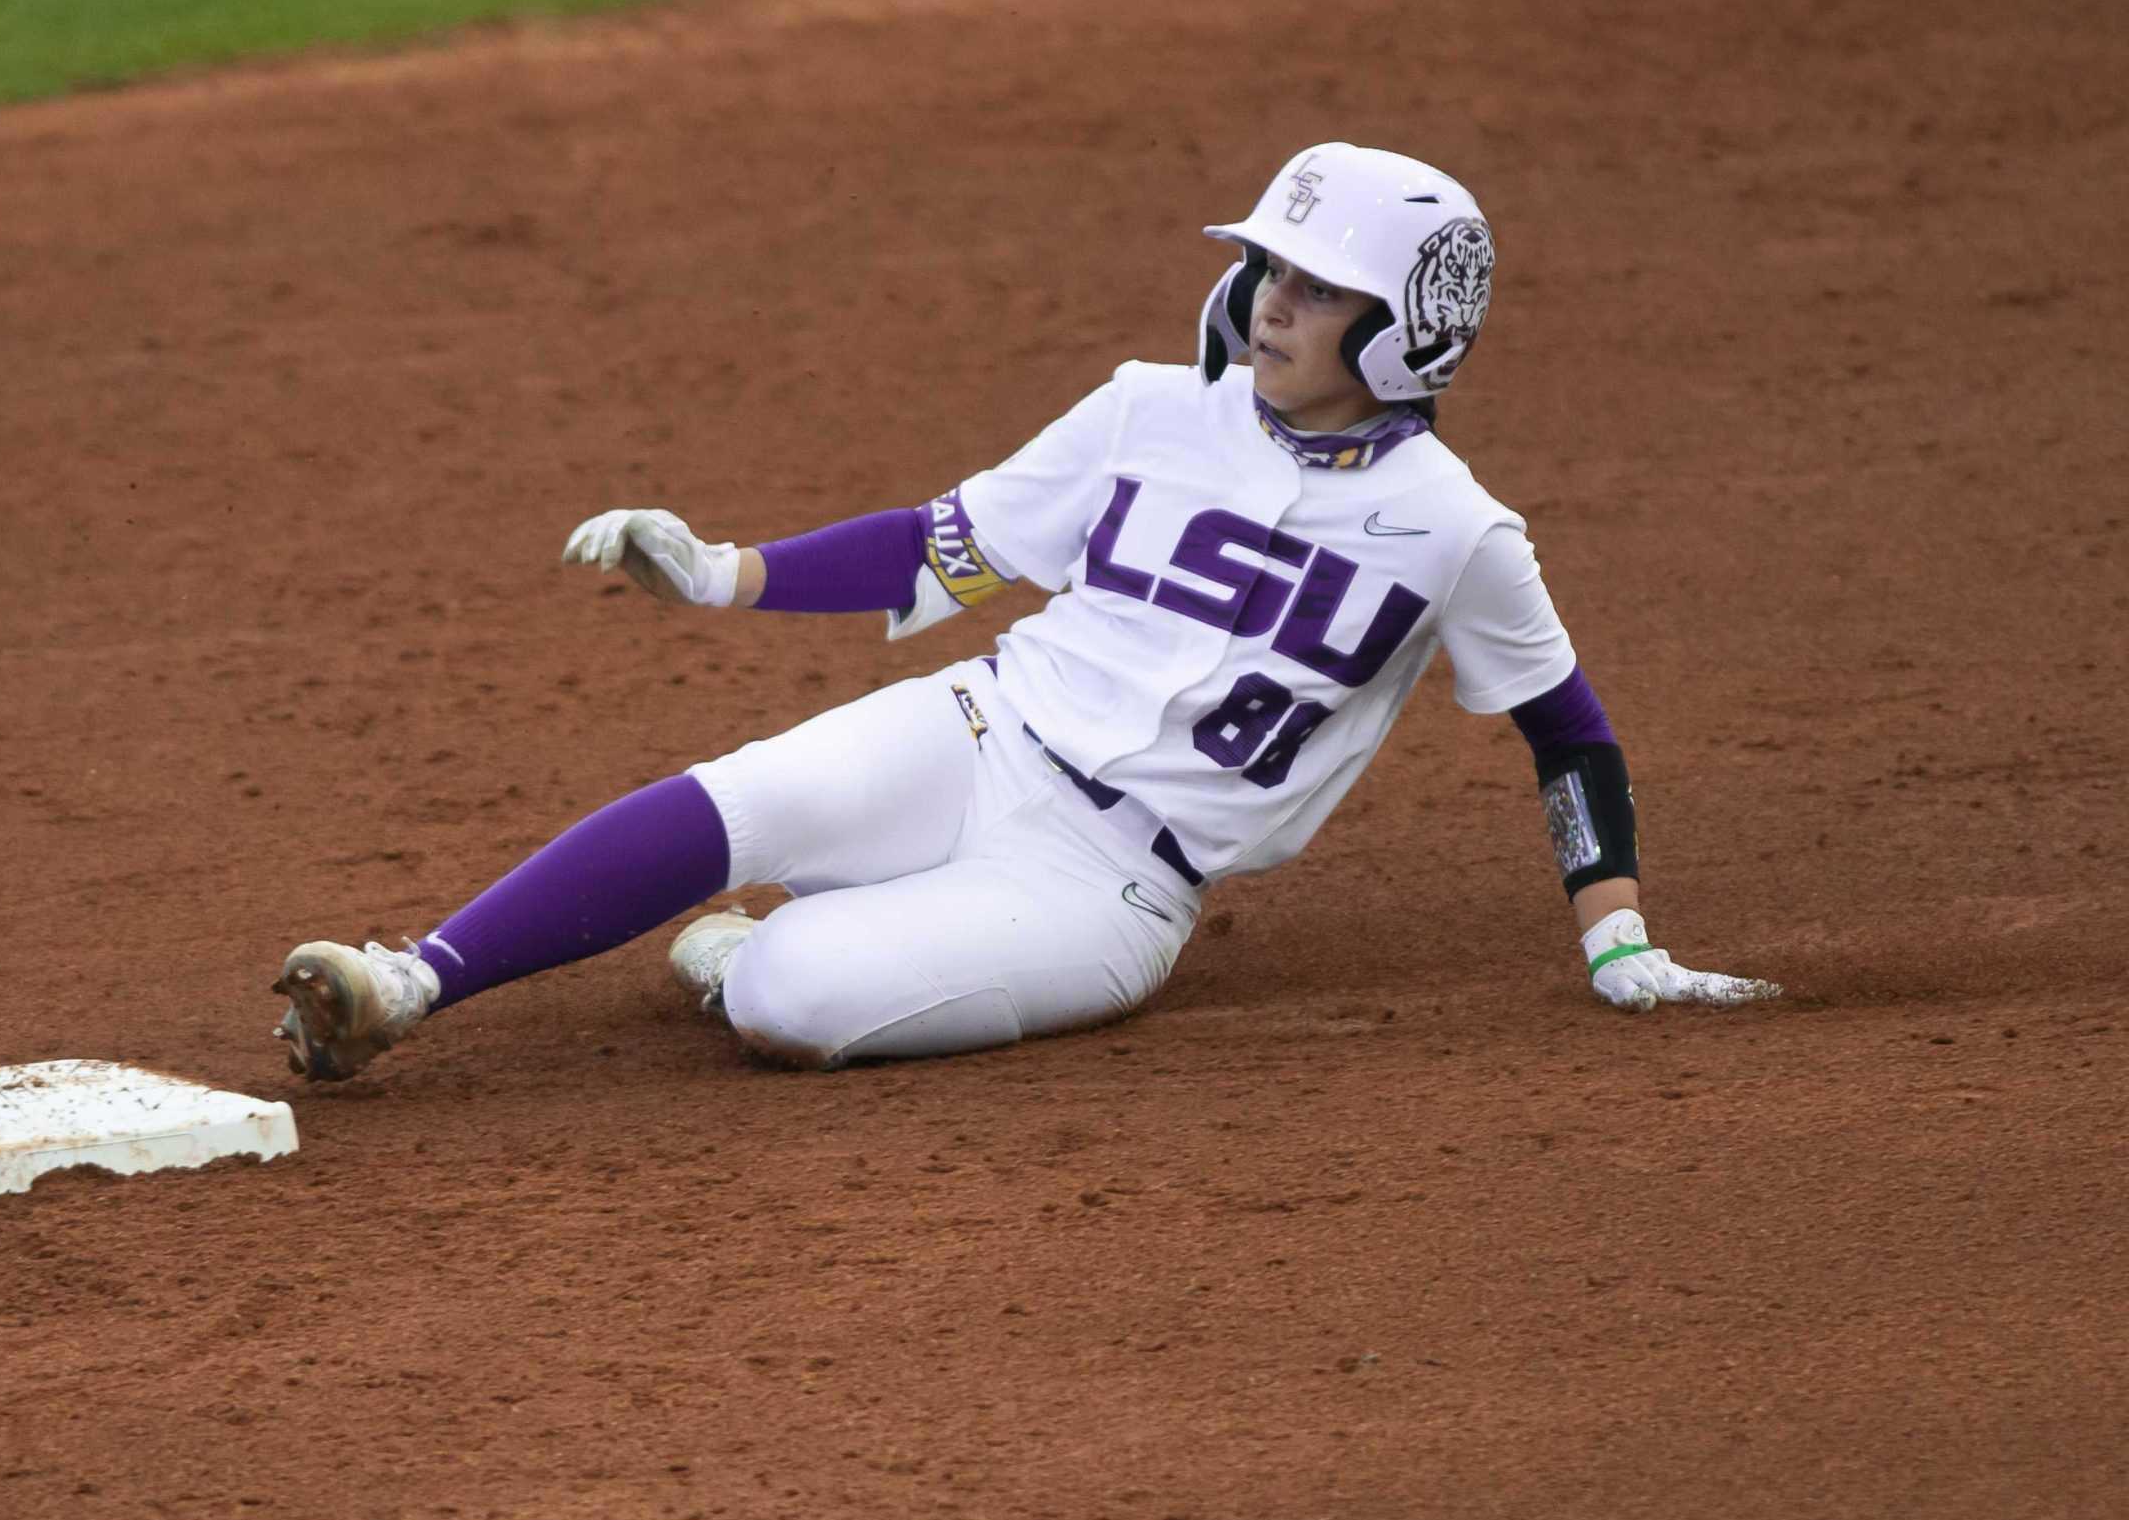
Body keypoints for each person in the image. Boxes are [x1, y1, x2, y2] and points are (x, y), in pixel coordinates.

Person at [269, 142, 1778, 1080]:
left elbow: (1567, 736)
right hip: (980, 725)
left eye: (1315, 288)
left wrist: (1619, 942)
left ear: (1405, 332)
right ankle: (406, 981)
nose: (1269, 303)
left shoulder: (1459, 532)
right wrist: (728, 569)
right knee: (736, 802)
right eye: (1266, 267)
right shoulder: (1146, 409)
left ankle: (763, 953)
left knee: (790, 998)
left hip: (1114, 888)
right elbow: (956, 547)